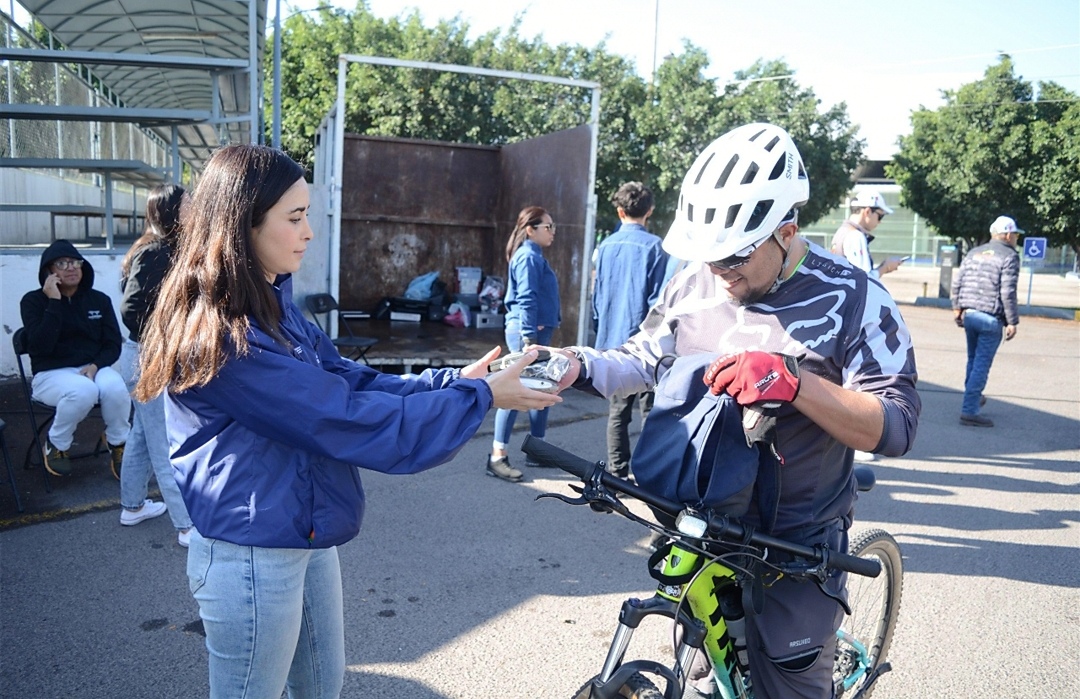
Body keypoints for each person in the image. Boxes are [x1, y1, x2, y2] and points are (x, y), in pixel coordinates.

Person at [134, 143, 558, 698]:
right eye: (295, 217)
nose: (309, 232)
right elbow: (341, 416)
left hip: (304, 534)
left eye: (307, 213)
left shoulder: (273, 303)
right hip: (253, 555)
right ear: (241, 225)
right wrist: (476, 398)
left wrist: (455, 383)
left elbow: (347, 380)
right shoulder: (221, 334)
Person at [553, 123, 921, 699]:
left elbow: (896, 424)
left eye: (733, 258)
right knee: (704, 667)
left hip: (797, 538)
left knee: (788, 683)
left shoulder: (855, 298)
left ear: (786, 231)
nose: (719, 273)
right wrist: (573, 364)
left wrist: (796, 384)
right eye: (708, 257)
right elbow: (640, 359)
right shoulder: (695, 281)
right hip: (702, 520)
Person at [117, 184, 193, 543]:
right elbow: (131, 310)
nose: (194, 208)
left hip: (142, 357)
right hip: (146, 358)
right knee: (164, 441)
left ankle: (132, 506)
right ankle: (186, 526)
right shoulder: (155, 252)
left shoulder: (160, 249)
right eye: (188, 204)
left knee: (142, 434)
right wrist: (161, 338)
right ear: (172, 211)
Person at [19, 240, 130, 478]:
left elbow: (112, 344)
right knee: (83, 391)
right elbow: (40, 345)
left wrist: (95, 365)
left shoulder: (98, 300)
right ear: (49, 272)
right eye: (62, 263)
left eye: (75, 262)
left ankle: (118, 443)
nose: (71, 268)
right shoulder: (33, 302)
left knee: (116, 387)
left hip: (92, 367)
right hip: (50, 373)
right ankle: (57, 443)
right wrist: (54, 302)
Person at [591, 182, 668, 478]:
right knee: (650, 413)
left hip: (613, 342)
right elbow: (657, 303)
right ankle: (650, 471)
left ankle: (617, 471)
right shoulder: (657, 247)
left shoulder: (606, 246)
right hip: (648, 346)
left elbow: (598, 298)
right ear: (649, 211)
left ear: (620, 211)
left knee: (617, 412)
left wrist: (602, 331)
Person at [485, 206, 561, 482]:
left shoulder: (535, 256)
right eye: (547, 227)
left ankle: (536, 450)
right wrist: (529, 339)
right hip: (527, 334)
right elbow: (526, 299)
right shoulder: (528, 256)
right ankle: (497, 457)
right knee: (514, 392)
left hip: (536, 333)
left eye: (553, 226)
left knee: (543, 388)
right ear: (530, 229)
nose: (552, 232)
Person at [949, 215, 1022, 428]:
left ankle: (973, 396)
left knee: (973, 361)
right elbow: (1007, 291)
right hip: (991, 318)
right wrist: (1012, 321)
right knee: (981, 365)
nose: (1016, 238)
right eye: (1016, 234)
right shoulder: (1009, 256)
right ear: (1008, 234)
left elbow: (958, 281)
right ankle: (970, 409)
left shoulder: (974, 253)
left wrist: (957, 308)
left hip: (970, 314)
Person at [830, 189, 905, 279]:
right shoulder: (856, 236)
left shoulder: (842, 231)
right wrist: (885, 267)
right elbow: (865, 279)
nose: (880, 222)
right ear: (868, 212)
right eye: (880, 216)